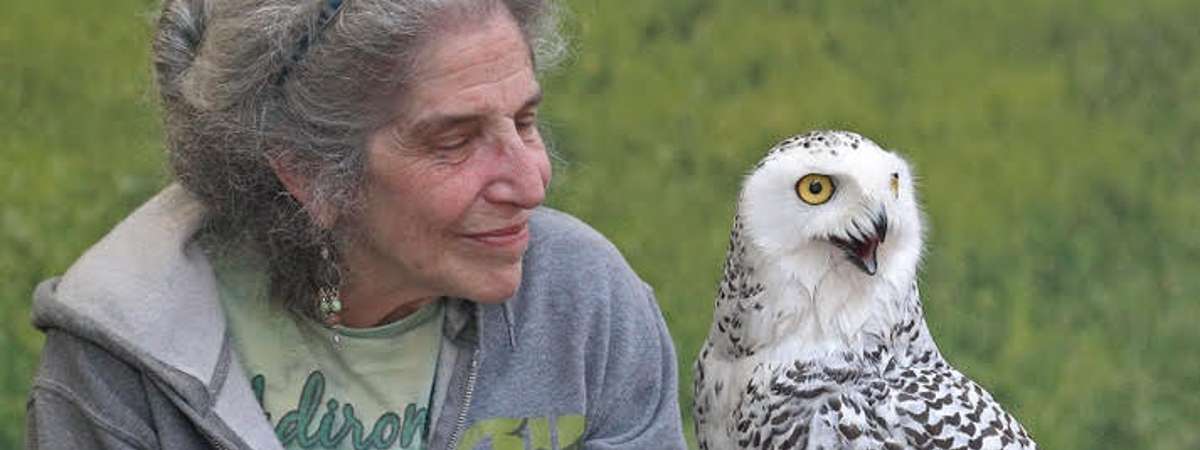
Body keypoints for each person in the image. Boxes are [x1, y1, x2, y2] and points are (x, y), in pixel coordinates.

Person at [25, 0, 687, 449]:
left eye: (524, 122)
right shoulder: (122, 360)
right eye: (454, 141)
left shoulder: (584, 308)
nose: (531, 181)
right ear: (309, 173)